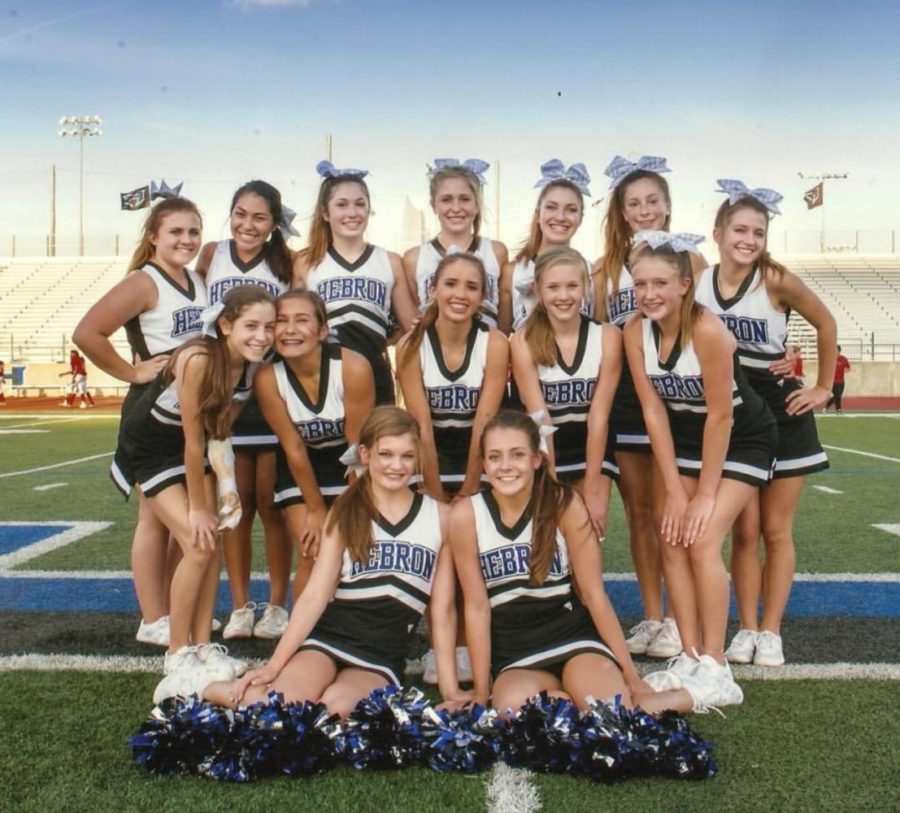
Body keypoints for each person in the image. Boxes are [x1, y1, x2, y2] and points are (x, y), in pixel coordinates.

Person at [153, 407, 465, 718]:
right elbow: (315, 595)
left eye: (407, 456)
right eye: (386, 454)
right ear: (366, 455)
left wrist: (450, 690)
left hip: (380, 656)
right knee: (276, 708)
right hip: (330, 638)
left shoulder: (440, 518)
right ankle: (202, 685)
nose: (396, 466)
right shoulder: (345, 514)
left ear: (419, 457)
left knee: (333, 713)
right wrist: (274, 665)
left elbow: (443, 608)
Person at [445, 410, 713, 717]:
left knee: (610, 714)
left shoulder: (563, 504)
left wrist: (631, 676)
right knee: (519, 714)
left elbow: (593, 594)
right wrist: (482, 689)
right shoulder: (467, 516)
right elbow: (477, 607)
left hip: (573, 637)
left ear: (536, 459)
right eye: (494, 457)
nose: (505, 466)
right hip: (516, 651)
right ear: (484, 464)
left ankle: (689, 696)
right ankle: (578, 702)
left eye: (517, 455)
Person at [623, 232, 777, 705]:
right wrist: (673, 489)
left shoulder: (708, 332)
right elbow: (653, 412)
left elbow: (722, 415)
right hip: (686, 438)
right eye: (641, 283)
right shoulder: (634, 332)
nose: (650, 293)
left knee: (704, 537)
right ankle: (689, 656)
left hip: (743, 437)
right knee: (672, 535)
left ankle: (716, 662)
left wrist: (704, 494)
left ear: (685, 285)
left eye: (661, 283)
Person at [697, 180, 836, 667]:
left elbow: (826, 323)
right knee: (745, 531)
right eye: (739, 229)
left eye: (758, 231)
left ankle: (771, 631)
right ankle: (746, 627)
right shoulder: (698, 279)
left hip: (782, 408)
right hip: (732, 410)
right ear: (718, 232)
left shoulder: (775, 279)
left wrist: (820, 387)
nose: (748, 239)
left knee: (777, 530)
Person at [112, 285, 276, 684]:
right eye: (251, 325)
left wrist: (226, 488)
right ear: (224, 325)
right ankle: (178, 653)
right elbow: (191, 439)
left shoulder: (254, 363)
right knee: (198, 543)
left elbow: (219, 429)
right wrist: (199, 507)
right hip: (150, 449)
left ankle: (203, 647)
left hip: (195, 449)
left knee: (212, 542)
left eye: (269, 327)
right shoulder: (199, 358)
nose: (262, 335)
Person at [74, 197, 208, 646]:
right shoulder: (143, 282)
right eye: (176, 232)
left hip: (186, 414)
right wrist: (131, 372)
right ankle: (154, 617)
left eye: (193, 231)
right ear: (153, 235)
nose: (186, 240)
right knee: (157, 522)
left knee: (165, 520)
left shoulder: (196, 280)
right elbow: (87, 332)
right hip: (152, 412)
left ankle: (169, 610)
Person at [591, 155, 702, 659]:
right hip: (628, 403)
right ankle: (654, 616)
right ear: (621, 210)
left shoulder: (690, 261)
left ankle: (682, 619)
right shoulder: (604, 269)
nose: (643, 210)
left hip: (677, 400)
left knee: (670, 512)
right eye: (633, 203)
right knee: (638, 511)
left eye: (652, 201)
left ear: (667, 205)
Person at [195, 180, 294, 642]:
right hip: (223, 392)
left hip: (270, 389)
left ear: (274, 224)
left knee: (271, 504)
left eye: (259, 217)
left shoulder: (286, 263)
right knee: (233, 505)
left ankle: (276, 604)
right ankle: (239, 605)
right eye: (240, 213)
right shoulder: (212, 252)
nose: (247, 224)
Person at [255, 289, 375, 599]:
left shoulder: (353, 367)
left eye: (302, 320)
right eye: (281, 321)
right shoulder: (268, 377)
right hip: (301, 468)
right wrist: (316, 508)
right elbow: (293, 446)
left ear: (322, 330)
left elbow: (357, 446)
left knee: (352, 547)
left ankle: (349, 630)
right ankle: (304, 636)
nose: (290, 329)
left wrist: (353, 506)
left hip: (349, 464)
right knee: (313, 549)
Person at [509, 246, 620, 536]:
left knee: (587, 532)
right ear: (538, 290)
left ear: (585, 287)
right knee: (548, 535)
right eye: (553, 287)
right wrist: (551, 482)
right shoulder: (522, 342)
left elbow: (599, 416)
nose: (563, 296)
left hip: (592, 448)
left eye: (572, 286)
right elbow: (540, 418)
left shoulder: (608, 337)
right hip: (549, 450)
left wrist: (594, 487)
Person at [293, 160, 418, 405]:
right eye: (342, 205)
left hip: (376, 374)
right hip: (321, 375)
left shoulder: (390, 261)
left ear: (369, 209)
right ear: (325, 213)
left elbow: (411, 329)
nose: (352, 213)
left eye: (360, 204)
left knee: (377, 441)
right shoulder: (305, 262)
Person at [396, 252, 509, 502]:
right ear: (433, 290)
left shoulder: (495, 344)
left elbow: (484, 421)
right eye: (450, 284)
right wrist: (434, 492)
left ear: (482, 297)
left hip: (480, 458)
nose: (460, 294)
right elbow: (421, 424)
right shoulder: (411, 345)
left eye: (471, 287)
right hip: (429, 459)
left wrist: (469, 489)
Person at [402, 158, 508, 327]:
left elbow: (504, 320)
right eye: (446, 200)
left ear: (477, 204)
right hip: (437, 350)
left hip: (488, 348)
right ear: (433, 205)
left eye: (465, 199)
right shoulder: (413, 258)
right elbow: (415, 320)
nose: (456, 208)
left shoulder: (496, 252)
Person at [498, 159, 592, 334]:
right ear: (538, 214)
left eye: (571, 209)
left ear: (581, 218)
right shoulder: (512, 272)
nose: (561, 217)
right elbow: (503, 338)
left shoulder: (593, 272)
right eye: (551, 207)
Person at [826, 345, 851, 413]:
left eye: (836, 350)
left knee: (838, 395)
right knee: (837, 395)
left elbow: (848, 368)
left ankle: (827, 405)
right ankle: (838, 409)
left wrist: (845, 371)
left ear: (839, 351)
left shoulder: (843, 359)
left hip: (841, 381)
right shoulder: (830, 359)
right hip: (833, 381)